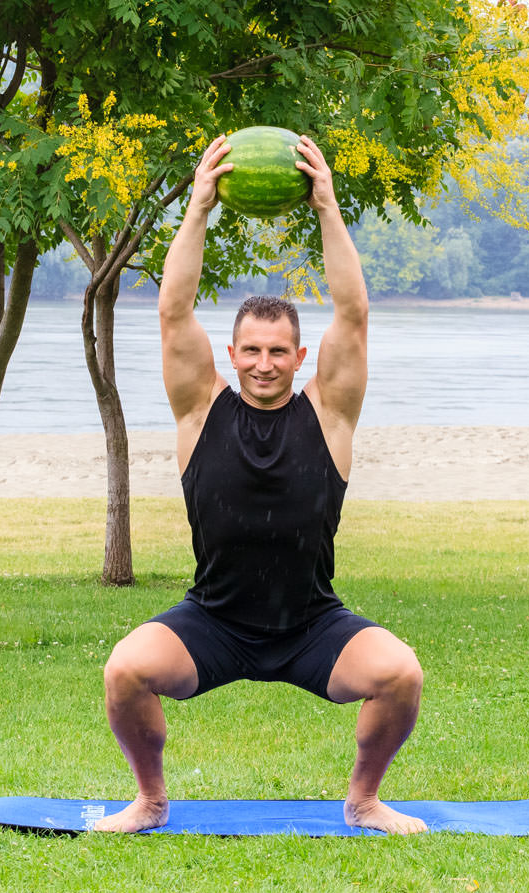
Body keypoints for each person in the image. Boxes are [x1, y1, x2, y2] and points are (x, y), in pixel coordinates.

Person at [96, 134, 426, 835]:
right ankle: (150, 800)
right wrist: (198, 208)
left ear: (300, 356)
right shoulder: (199, 408)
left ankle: (364, 800)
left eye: (279, 351)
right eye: (251, 350)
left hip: (311, 623)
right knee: (124, 671)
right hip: (212, 620)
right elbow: (172, 313)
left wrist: (328, 206)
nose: (265, 363)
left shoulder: (329, 413)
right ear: (232, 353)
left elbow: (354, 316)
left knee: (401, 674)